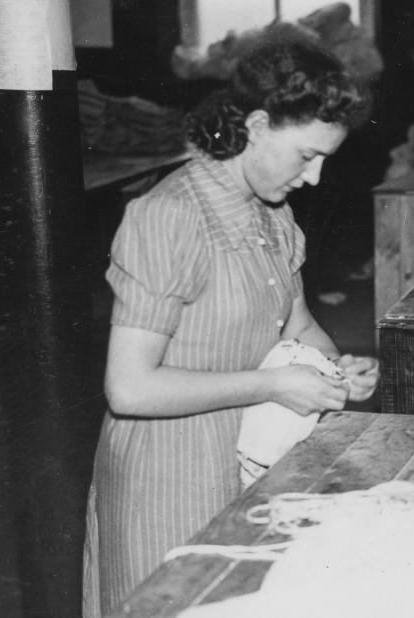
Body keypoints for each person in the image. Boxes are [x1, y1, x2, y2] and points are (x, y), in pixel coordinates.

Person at [81, 41, 379, 616]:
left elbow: (299, 324)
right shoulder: (169, 217)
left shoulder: (274, 214)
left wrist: (332, 369)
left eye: (325, 160)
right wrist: (273, 385)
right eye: (305, 156)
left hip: (246, 456)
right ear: (258, 125)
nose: (314, 178)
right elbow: (130, 388)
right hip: (166, 474)